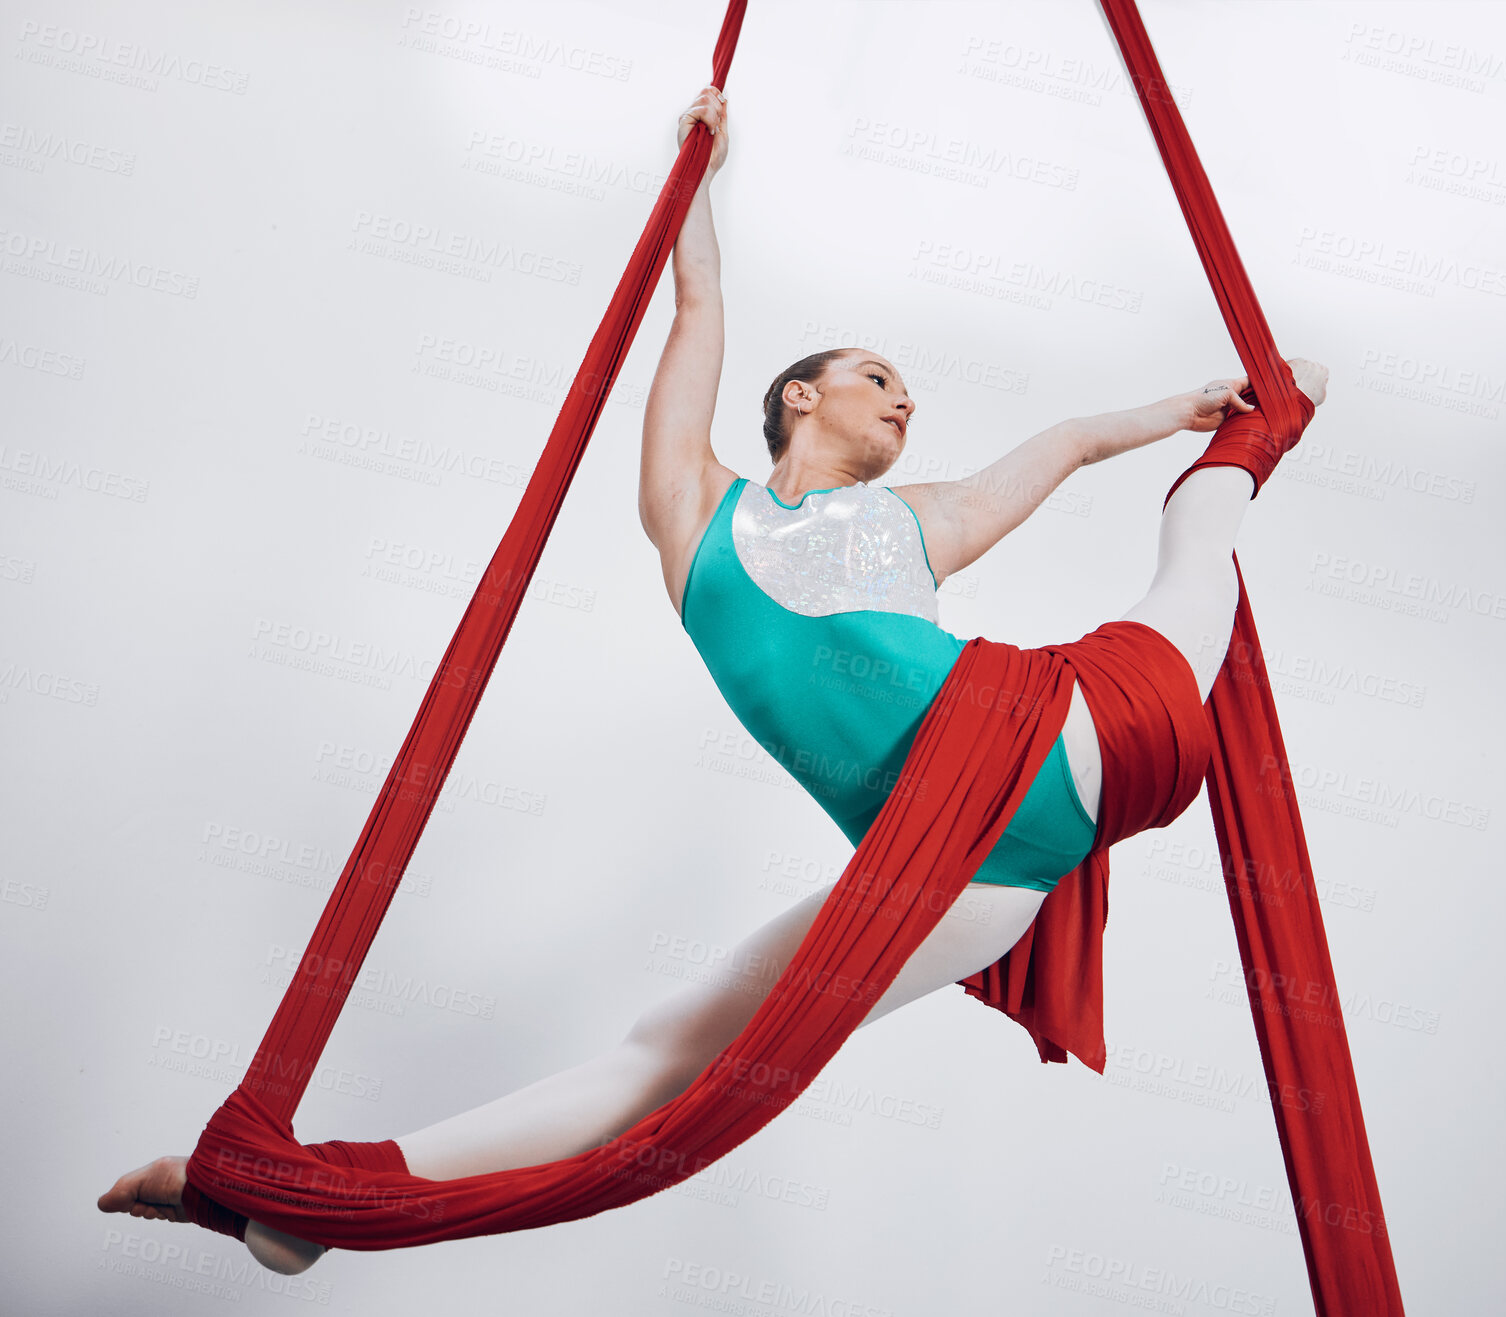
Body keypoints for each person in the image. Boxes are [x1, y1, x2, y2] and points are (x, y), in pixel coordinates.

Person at [98, 85, 1328, 1274]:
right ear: (800, 397)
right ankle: (313, 1203)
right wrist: (697, 174)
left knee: (1199, 521)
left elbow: (1057, 444)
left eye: (909, 389)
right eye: (874, 375)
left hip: (1060, 732)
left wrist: (1180, 407)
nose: (903, 397)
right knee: (662, 1053)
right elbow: (695, 308)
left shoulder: (921, 522)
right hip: (970, 876)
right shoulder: (696, 515)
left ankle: (1265, 420)